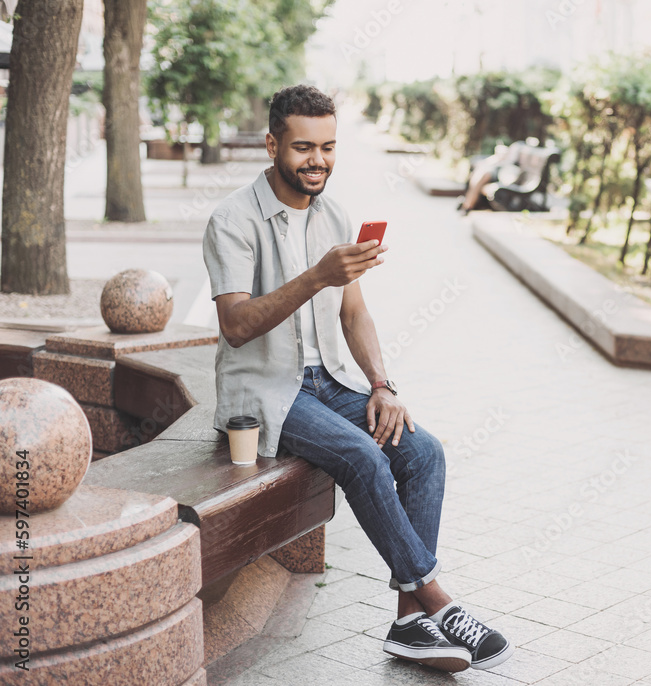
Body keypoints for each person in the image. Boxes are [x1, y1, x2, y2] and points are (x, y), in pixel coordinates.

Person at [202, 85, 512, 673]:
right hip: (267, 389)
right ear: (272, 144)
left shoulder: (335, 215)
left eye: (328, 146)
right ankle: (438, 602)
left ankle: (407, 622)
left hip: (334, 382)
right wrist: (317, 275)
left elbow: (354, 313)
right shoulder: (232, 220)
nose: (317, 160)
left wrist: (381, 384)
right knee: (362, 458)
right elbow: (237, 325)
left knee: (423, 453)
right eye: (302, 147)